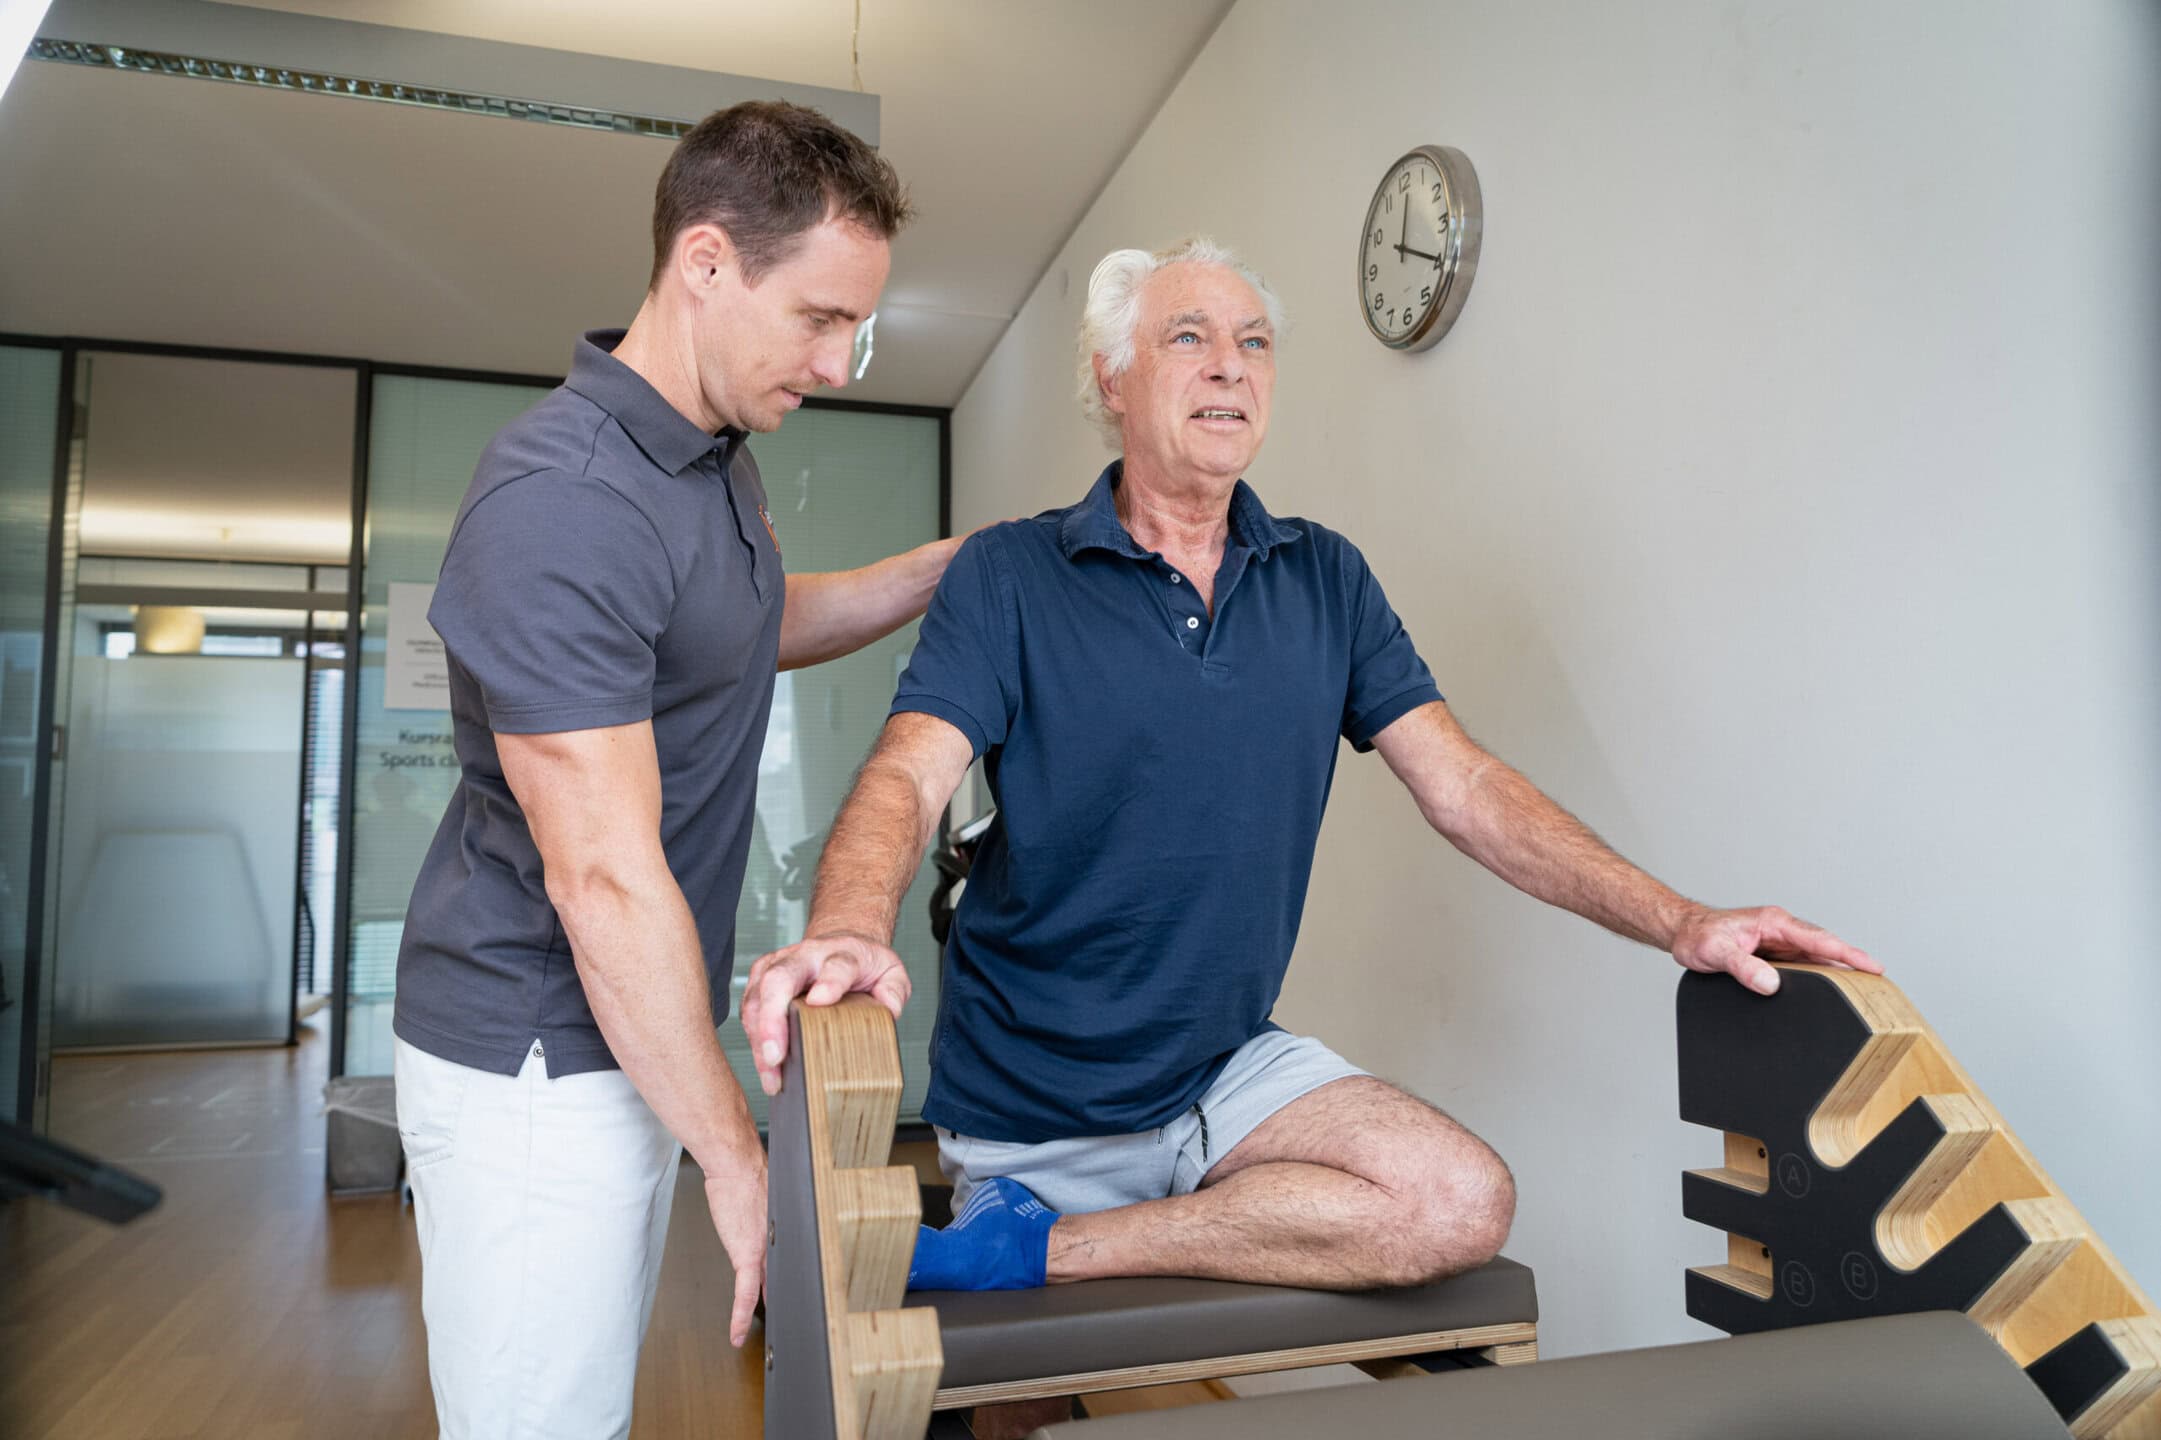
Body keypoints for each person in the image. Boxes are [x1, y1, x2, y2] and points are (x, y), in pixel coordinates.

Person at [742, 236, 1880, 1309]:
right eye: (1188, 337)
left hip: (1220, 1077)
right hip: (1035, 1107)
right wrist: (849, 924)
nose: (1230, 366)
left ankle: (1040, 1251)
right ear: (1113, 378)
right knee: (1026, 1416)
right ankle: (1036, 1223)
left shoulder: (1323, 578)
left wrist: (1681, 921)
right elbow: (906, 775)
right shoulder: (1010, 573)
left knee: (1460, 1198)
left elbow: (1466, 788)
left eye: (1254, 342)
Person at [391, 101, 955, 1440]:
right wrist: (733, 1151)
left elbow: (745, 632)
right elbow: (599, 872)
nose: (841, 361)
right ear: (705, 263)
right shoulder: (566, 500)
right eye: (820, 318)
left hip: (623, 1037)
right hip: (535, 1060)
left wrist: (950, 567)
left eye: (856, 327)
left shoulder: (708, 464)